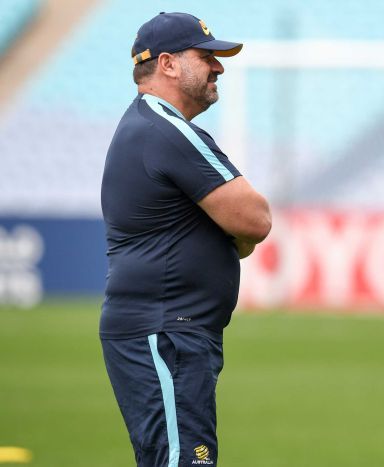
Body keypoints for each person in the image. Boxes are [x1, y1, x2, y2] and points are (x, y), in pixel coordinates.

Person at [100, 12, 271, 466]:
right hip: (165, 332)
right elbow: (255, 219)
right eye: (207, 57)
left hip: (168, 331)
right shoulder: (167, 129)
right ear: (169, 64)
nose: (219, 67)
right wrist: (229, 234)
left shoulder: (149, 126)